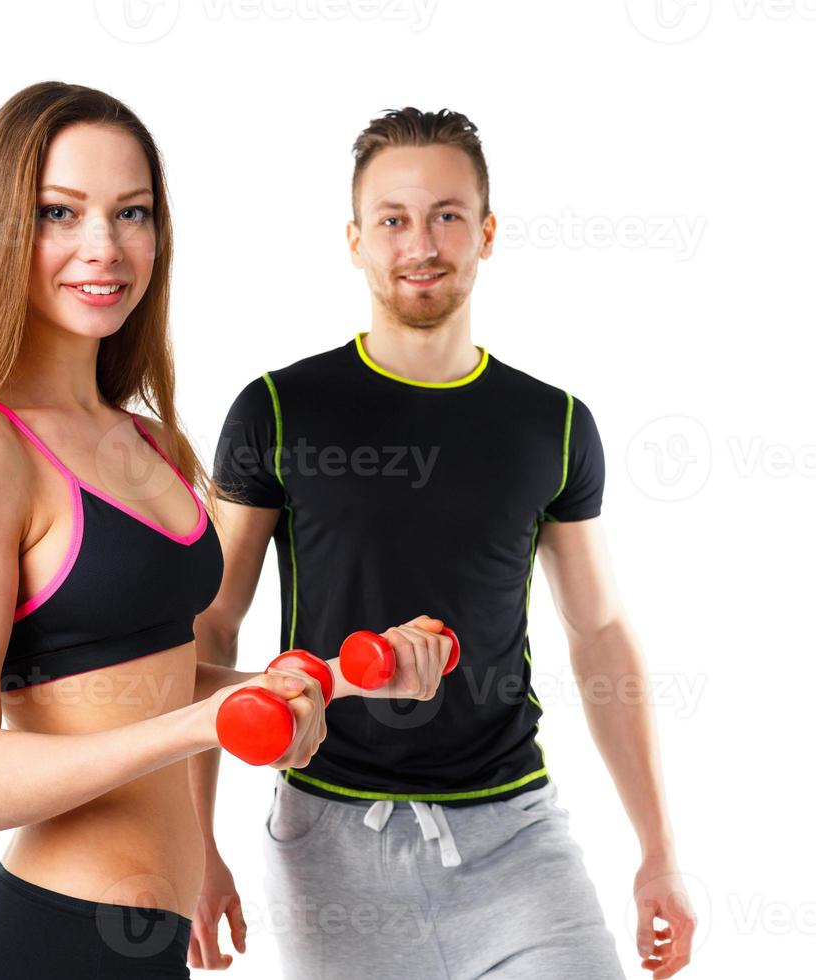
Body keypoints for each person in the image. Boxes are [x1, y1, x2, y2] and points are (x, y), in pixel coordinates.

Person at [0, 81, 451, 980]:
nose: (103, 248)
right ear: (0, 232)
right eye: (58, 213)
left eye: (131, 212)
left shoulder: (147, 438)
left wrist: (337, 678)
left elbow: (142, 681)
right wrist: (203, 725)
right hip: (50, 946)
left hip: (151, 951)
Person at [189, 108, 698, 979]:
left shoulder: (555, 424)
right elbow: (209, 626)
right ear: (354, 239)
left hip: (514, 837)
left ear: (486, 233)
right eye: (392, 218)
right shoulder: (277, 409)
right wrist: (191, 843)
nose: (419, 242)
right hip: (328, 837)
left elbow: (599, 632)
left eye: (446, 215)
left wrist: (658, 851)